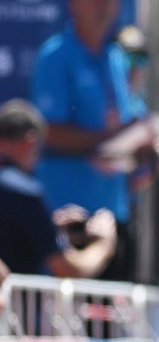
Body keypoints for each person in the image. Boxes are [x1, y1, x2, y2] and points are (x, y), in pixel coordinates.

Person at [31, 0, 155, 283]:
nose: (101, 6)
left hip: (113, 214)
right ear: (73, 4)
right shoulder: (56, 55)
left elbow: (132, 121)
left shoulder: (116, 58)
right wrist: (111, 143)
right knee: (71, 310)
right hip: (69, 217)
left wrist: (151, 145)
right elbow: (48, 132)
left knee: (113, 311)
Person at [0, 99, 117, 282]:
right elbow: (67, 269)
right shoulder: (23, 192)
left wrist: (48, 228)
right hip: (15, 300)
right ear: (30, 142)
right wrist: (102, 244)